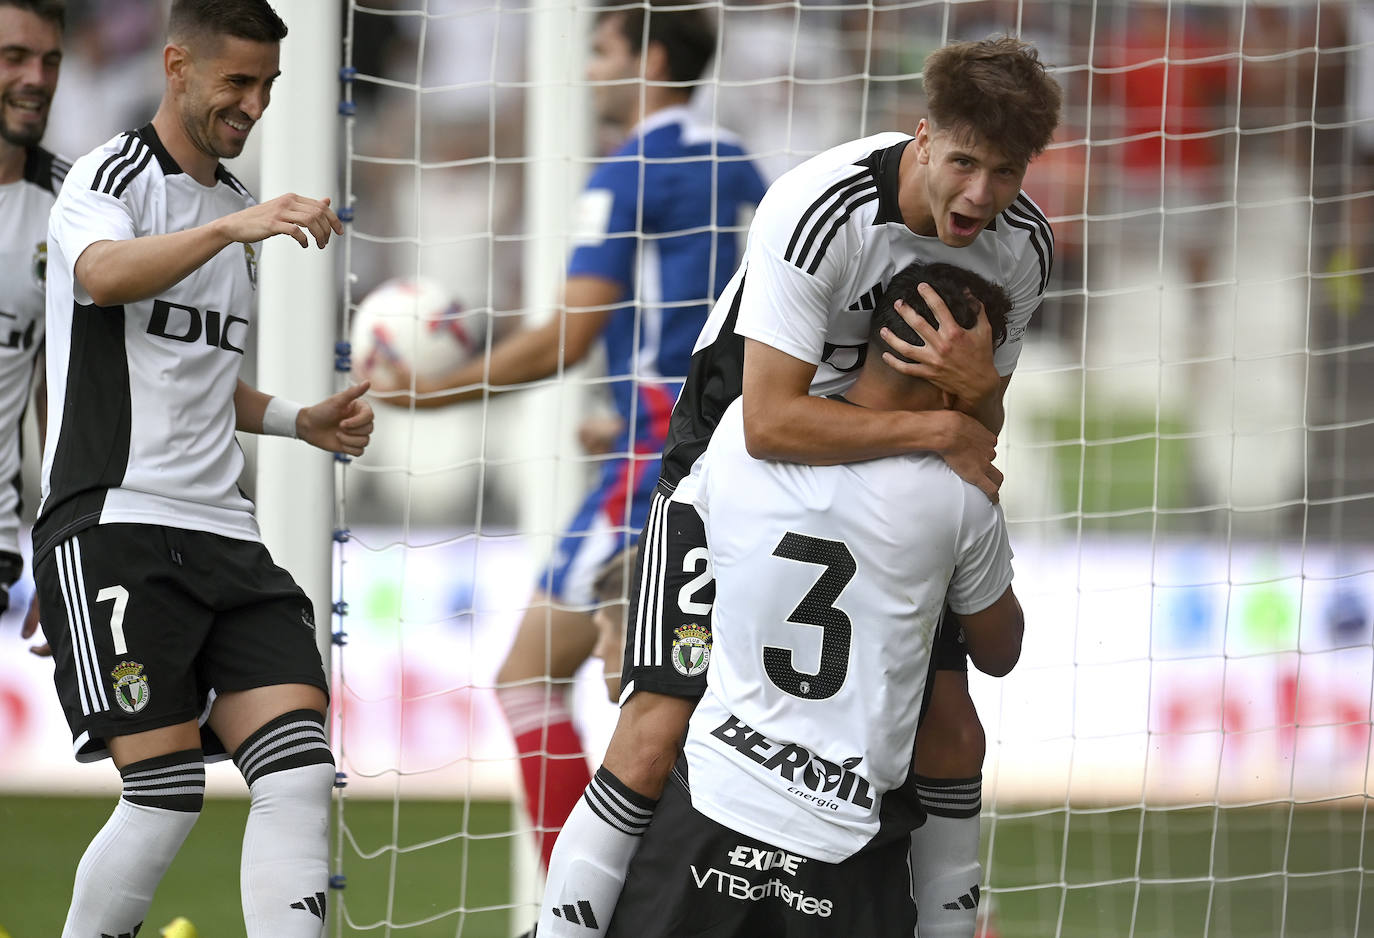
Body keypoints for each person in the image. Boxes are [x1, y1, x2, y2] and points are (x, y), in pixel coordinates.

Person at [538, 35, 1061, 938]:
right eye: (965, 163)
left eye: (1007, 173)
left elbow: (980, 437)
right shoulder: (821, 205)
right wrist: (943, 426)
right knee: (661, 720)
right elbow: (772, 419)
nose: (980, 196)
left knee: (952, 729)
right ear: (925, 136)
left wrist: (962, 413)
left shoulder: (1023, 250)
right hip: (738, 449)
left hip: (893, 467)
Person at [365, 2, 766, 871]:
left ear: (650, 58)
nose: (590, 71)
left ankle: (579, 904)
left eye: (602, 51)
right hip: (734, 443)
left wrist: (428, 393)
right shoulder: (745, 168)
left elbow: (567, 336)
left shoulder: (628, 172)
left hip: (661, 457)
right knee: (708, 700)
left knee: (530, 678)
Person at [35, 2, 372, 936]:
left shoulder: (230, 210)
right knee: (165, 793)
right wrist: (235, 231)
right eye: (238, 82)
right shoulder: (110, 176)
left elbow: (195, 376)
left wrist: (300, 420)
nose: (254, 105)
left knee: (301, 772)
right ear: (177, 65)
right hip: (118, 526)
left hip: (224, 530)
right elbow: (101, 275)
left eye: (267, 87)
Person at [604, 261, 1024, 937]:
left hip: (709, 807)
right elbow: (1001, 651)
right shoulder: (961, 502)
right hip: (847, 842)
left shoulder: (744, 435)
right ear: (955, 372)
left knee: (641, 737)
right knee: (955, 728)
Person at [0, 0, 65, 656]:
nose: (36, 79)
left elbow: (63, 392)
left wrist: (59, 545)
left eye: (50, 61)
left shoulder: (75, 211)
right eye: (14, 57)